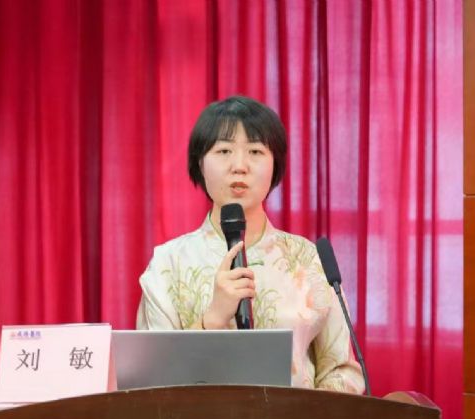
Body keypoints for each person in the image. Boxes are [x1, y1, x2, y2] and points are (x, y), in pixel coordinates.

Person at [136, 95, 364, 394]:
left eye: (255, 151)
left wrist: (308, 418)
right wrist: (212, 319)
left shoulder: (308, 259)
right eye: (224, 150)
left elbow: (341, 370)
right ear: (200, 163)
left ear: (275, 165)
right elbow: (149, 384)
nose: (239, 166)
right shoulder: (168, 263)